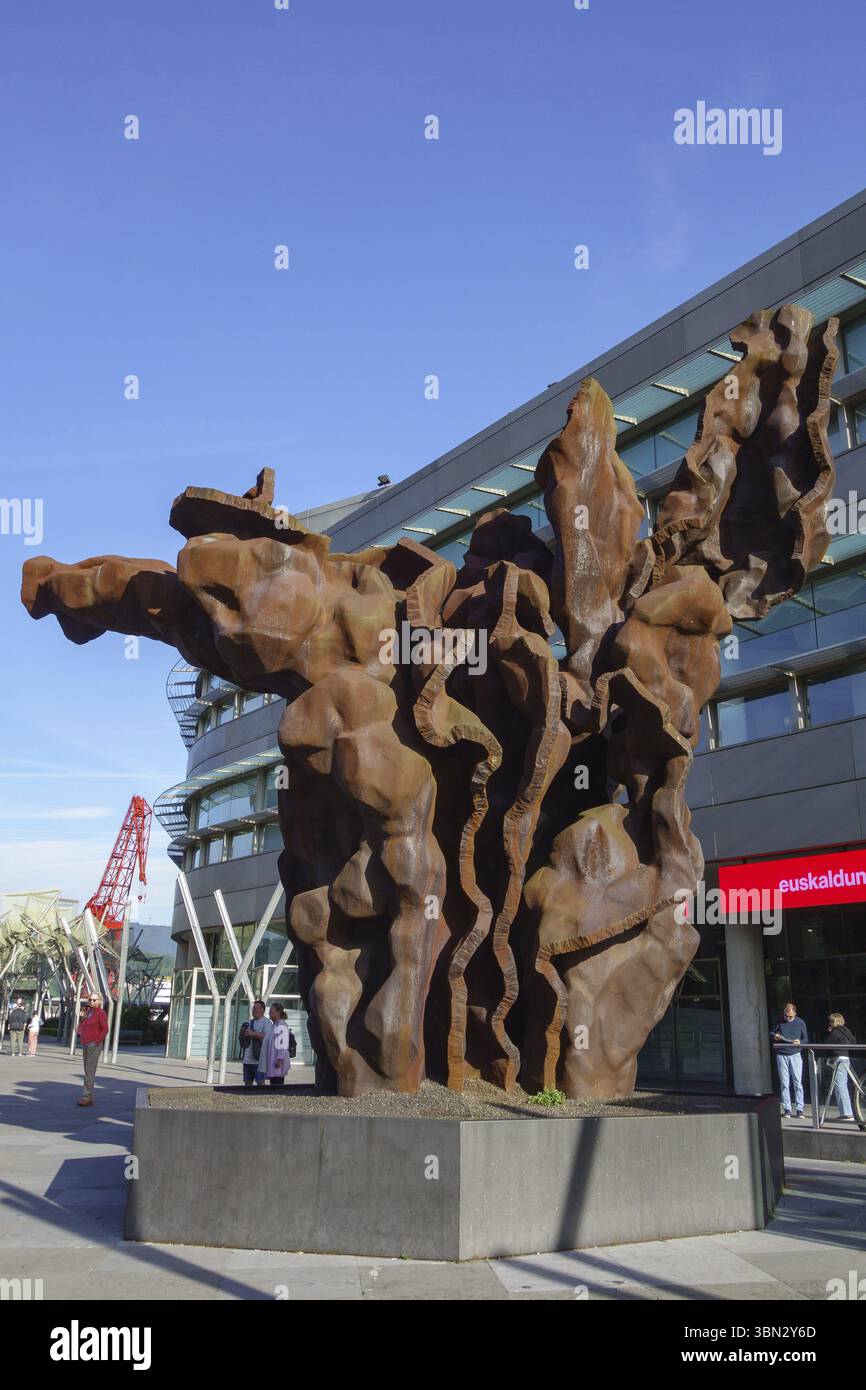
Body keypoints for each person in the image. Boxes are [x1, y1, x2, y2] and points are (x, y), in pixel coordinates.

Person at [771, 1001, 809, 1118]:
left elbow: (806, 1039)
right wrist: (775, 1036)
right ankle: (787, 1108)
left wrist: (800, 1042)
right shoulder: (779, 1021)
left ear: (795, 1014)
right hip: (781, 1054)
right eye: (786, 1016)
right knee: (784, 1083)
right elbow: (772, 1032)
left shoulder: (800, 1022)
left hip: (795, 1054)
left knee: (797, 1082)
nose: (788, 1018)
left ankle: (799, 1109)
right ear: (784, 1013)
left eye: (791, 1016)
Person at [77, 993, 109, 1107]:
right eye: (90, 999)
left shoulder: (101, 1013)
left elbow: (105, 1029)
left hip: (94, 1044)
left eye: (94, 1000)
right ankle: (88, 1096)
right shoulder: (89, 1012)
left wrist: (96, 1042)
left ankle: (86, 1096)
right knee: (87, 1070)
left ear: (99, 1001)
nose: (91, 1002)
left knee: (89, 1071)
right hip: (86, 1043)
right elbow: (84, 1025)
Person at [825, 1012, 857, 1122]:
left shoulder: (835, 1032)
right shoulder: (847, 1031)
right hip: (846, 1058)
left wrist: (830, 1032)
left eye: (830, 1022)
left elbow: (827, 1044)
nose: (829, 1024)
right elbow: (853, 1041)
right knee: (842, 1085)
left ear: (834, 1022)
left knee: (840, 1086)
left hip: (838, 1059)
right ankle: (847, 1112)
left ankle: (846, 1114)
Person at [240, 1000, 273, 1088]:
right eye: (253, 1008)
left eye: (256, 1008)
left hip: (260, 1061)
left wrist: (253, 1033)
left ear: (262, 1010)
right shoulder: (249, 1022)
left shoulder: (267, 1023)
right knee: (247, 1083)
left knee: (260, 1083)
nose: (254, 1010)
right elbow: (243, 1040)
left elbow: (267, 1037)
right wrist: (242, 1033)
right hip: (247, 1060)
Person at [257, 1004, 291, 1087]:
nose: (269, 1013)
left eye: (271, 1011)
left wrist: (279, 1059)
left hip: (277, 1062)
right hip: (273, 1061)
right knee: (274, 1083)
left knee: (277, 1084)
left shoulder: (281, 1025)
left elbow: (282, 1044)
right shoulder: (274, 1025)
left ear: (278, 1012)